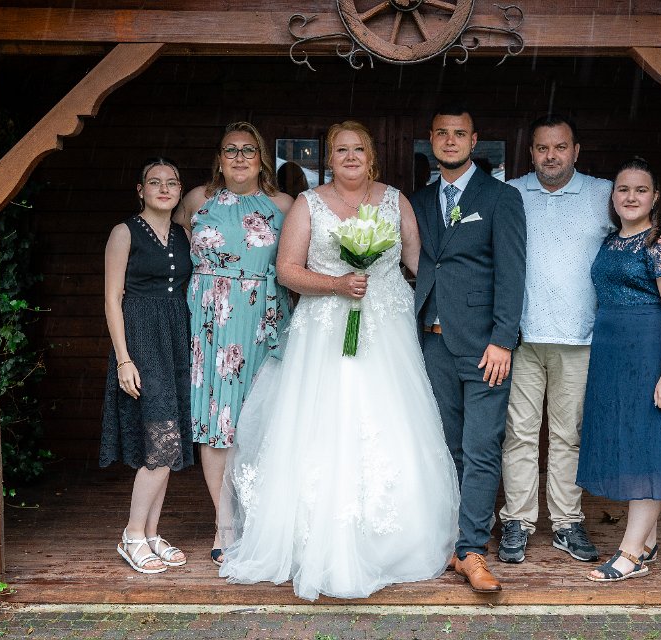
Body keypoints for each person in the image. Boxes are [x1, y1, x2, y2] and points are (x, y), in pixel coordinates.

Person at [218, 120, 459, 601]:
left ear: (372, 157)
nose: (350, 157)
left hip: (387, 331)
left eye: (359, 149)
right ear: (329, 159)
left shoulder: (396, 201)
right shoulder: (308, 204)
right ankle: (313, 536)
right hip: (325, 332)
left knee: (391, 423)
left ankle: (398, 538)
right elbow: (287, 270)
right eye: (341, 150)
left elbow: (419, 263)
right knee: (324, 424)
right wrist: (336, 285)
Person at [498, 116, 661, 566]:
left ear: (576, 151)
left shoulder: (602, 193)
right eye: (542, 147)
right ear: (531, 152)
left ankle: (566, 522)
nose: (551, 155)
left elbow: (645, 222)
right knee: (519, 434)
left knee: (569, 436)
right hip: (522, 335)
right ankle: (518, 521)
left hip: (582, 339)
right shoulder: (510, 193)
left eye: (560, 147)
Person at [410, 104, 526, 593]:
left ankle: (472, 549)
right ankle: (449, 542)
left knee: (481, 448)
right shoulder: (419, 200)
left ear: (474, 140)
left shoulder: (500, 197)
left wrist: (503, 339)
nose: (450, 141)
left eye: (459, 133)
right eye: (442, 133)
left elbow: (512, 273)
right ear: (432, 140)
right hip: (432, 343)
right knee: (445, 448)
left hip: (483, 347)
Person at [177, 122, 292, 567]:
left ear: (262, 158)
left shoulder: (283, 205)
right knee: (216, 419)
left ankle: (258, 515)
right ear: (219, 160)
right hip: (212, 322)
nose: (240, 157)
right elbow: (172, 243)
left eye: (248, 150)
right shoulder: (197, 201)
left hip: (264, 320)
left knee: (260, 420)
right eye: (231, 150)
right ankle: (224, 521)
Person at [576, 157, 661, 581]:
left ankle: (630, 555)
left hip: (649, 355)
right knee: (632, 444)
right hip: (612, 357)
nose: (631, 197)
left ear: (655, 197)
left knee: (648, 450)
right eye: (623, 189)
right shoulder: (611, 241)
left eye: (640, 190)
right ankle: (647, 542)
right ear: (612, 196)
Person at [101, 157, 193, 574]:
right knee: (161, 439)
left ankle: (152, 534)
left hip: (176, 338)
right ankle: (133, 534)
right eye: (155, 182)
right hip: (140, 338)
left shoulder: (183, 234)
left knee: (169, 441)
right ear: (141, 190)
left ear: (179, 190)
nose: (164, 188)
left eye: (171, 182)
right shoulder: (124, 232)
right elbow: (112, 298)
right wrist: (124, 358)